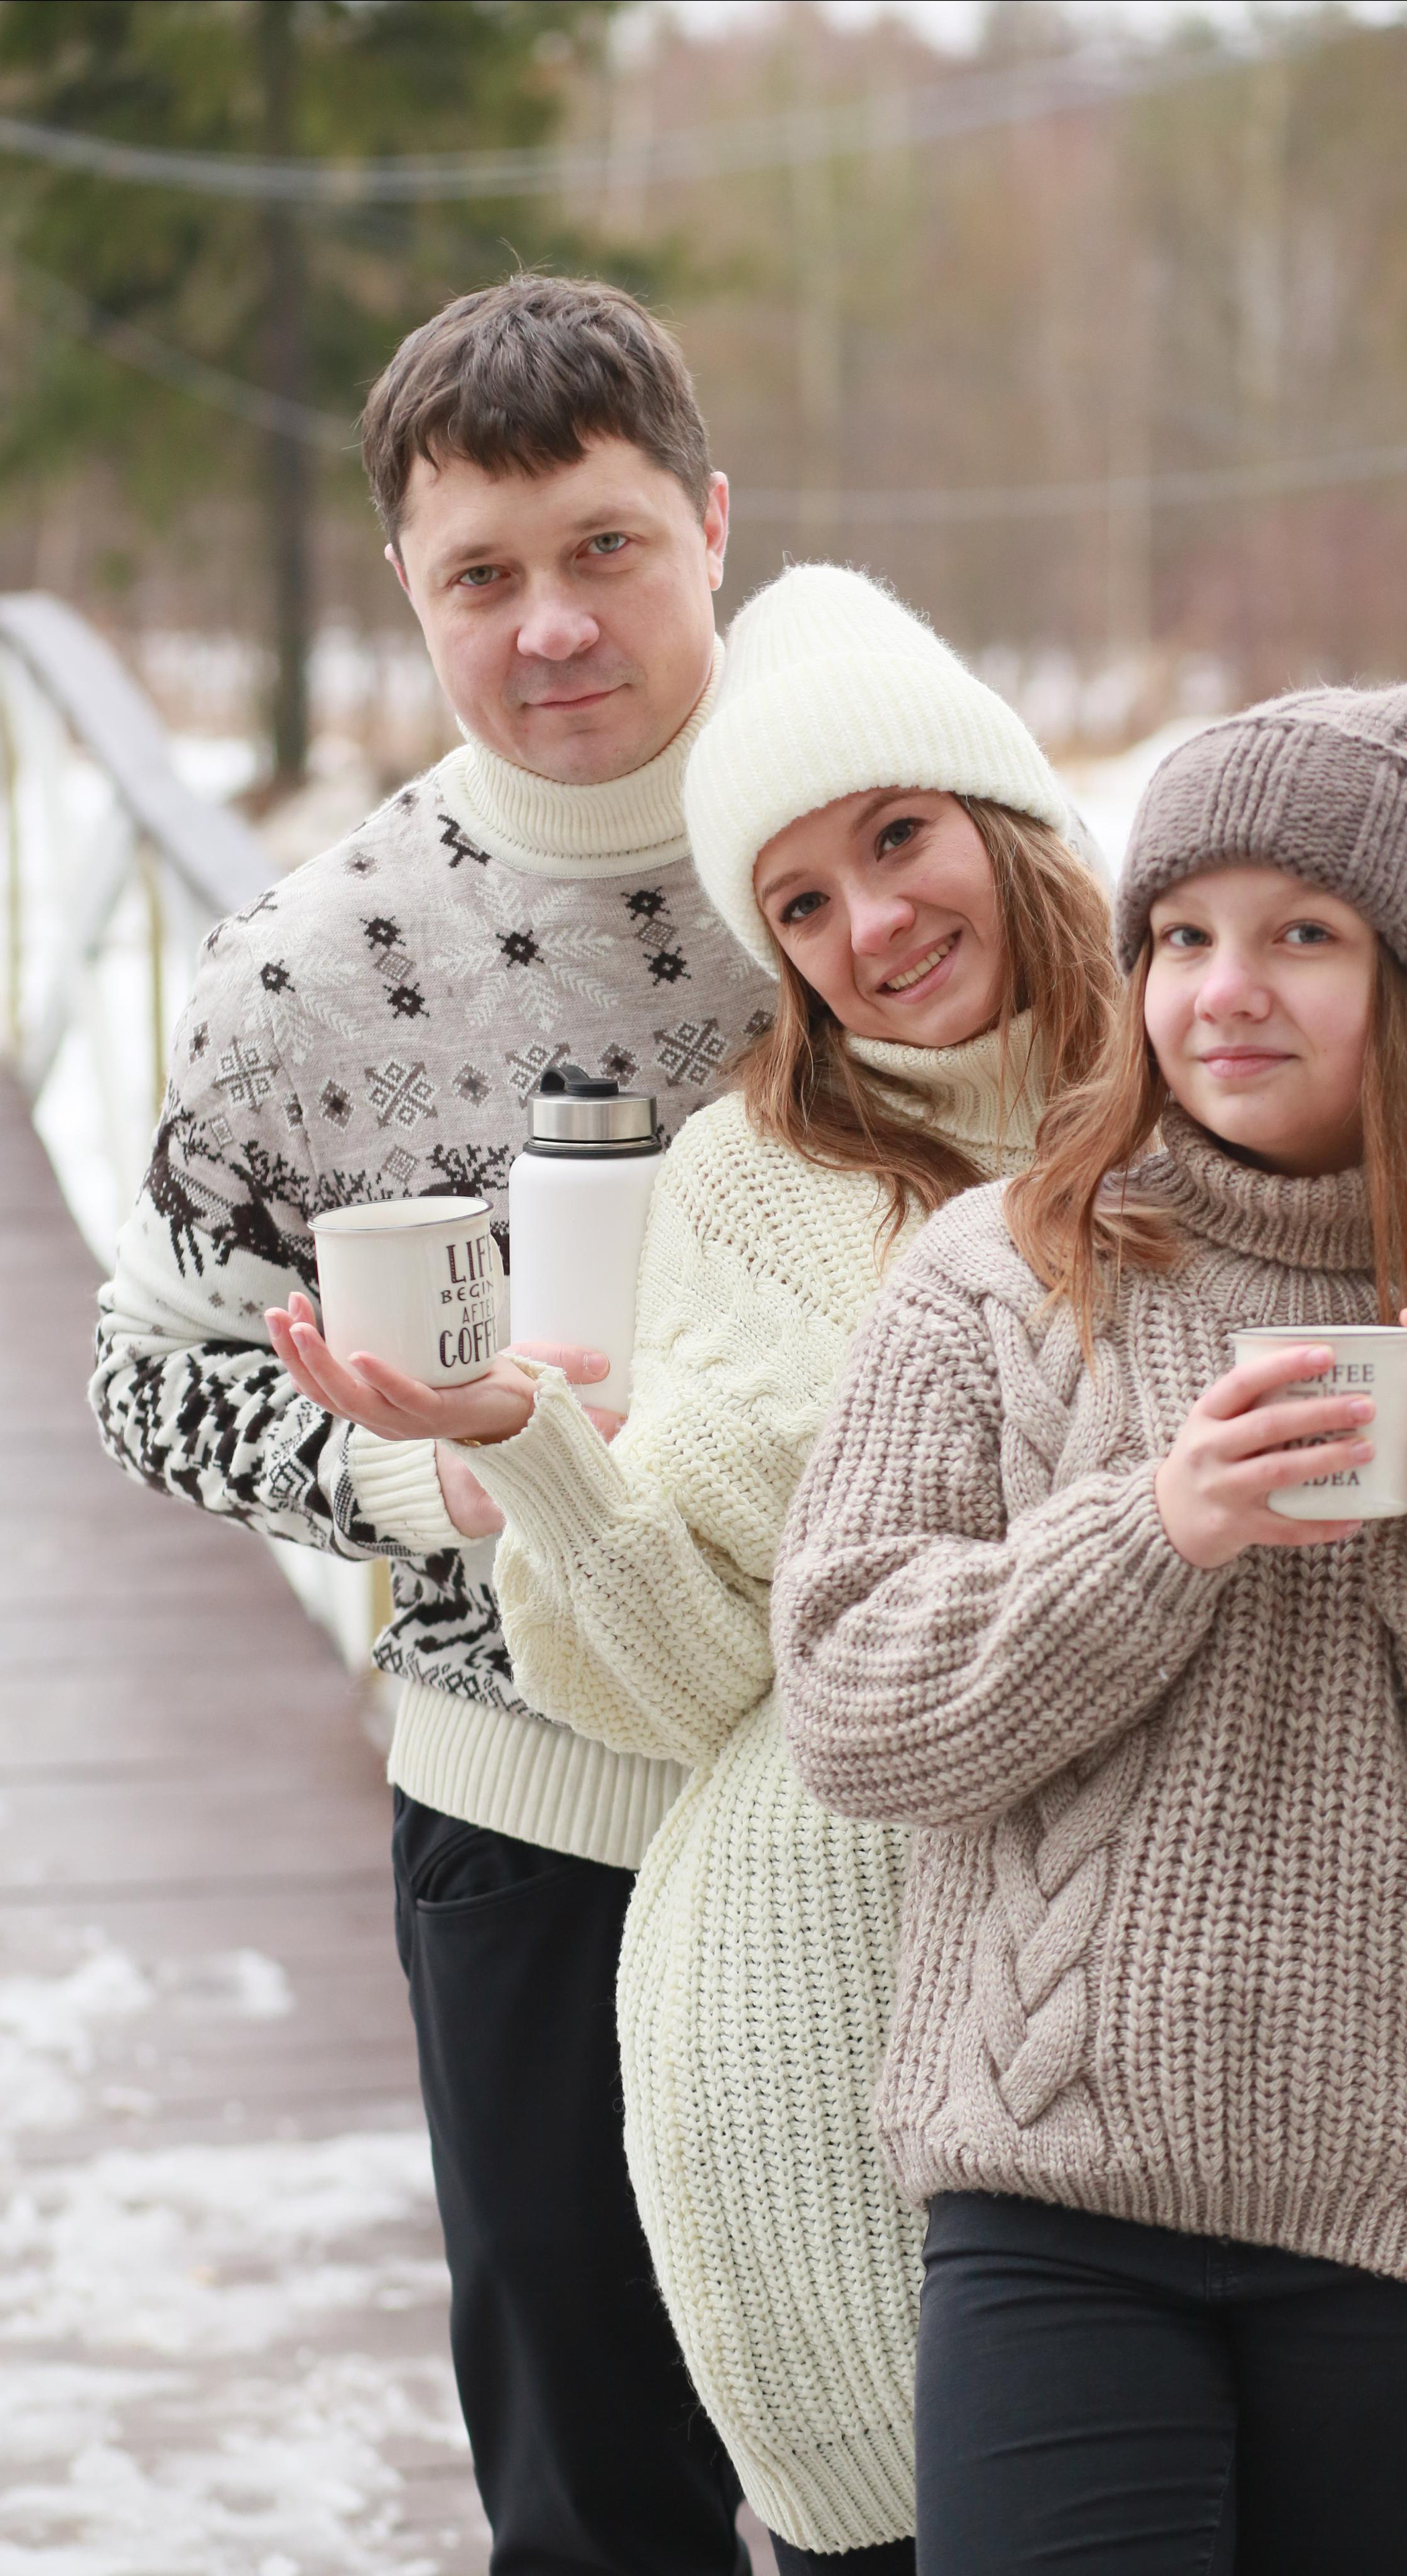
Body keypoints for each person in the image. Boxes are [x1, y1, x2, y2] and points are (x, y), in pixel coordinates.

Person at [773, 683, 1407, 2575]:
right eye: (1186, 935)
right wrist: (1156, 1529)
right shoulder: (996, 1279)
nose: (1228, 989)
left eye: (1306, 936)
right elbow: (849, 1703)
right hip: (1053, 2200)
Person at [267, 562, 1118, 2568]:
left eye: (898, 840)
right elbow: (687, 1674)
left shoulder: (1209, 1095)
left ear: (1007, 818)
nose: (871, 930)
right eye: (800, 905)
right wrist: (536, 1457)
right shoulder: (760, 1175)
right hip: (818, 2053)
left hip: (1179, 2043)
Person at [91, 272, 776, 2576]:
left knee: (966, 2469)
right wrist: (409, 1473)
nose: (550, 625)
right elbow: (144, 1378)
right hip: (538, 1815)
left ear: (708, 523)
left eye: (601, 550)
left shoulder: (892, 875)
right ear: (410, 587)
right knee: (604, 2497)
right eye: (482, 574)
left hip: (896, 1786)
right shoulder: (306, 966)